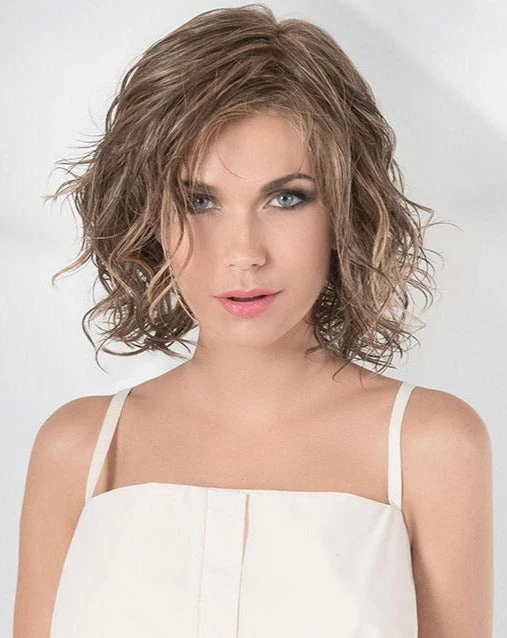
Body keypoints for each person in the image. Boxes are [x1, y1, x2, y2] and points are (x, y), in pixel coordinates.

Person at [14, 4, 493, 637]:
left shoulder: (431, 446)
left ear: (344, 211)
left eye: (286, 198)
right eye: (199, 201)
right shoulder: (76, 450)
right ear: (151, 217)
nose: (243, 253)